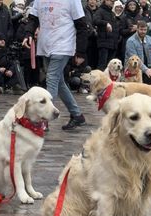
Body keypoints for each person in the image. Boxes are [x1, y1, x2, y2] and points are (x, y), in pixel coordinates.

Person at [22, 0, 88, 130]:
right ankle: (77, 115)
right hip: (45, 44)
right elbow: (33, 19)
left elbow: (81, 25)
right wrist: (28, 34)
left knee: (51, 78)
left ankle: (44, 119)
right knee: (58, 82)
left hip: (63, 44)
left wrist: (80, 52)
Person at [125, 20, 151, 85]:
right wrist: (146, 70)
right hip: (135, 68)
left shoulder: (149, 39)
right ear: (137, 29)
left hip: (148, 65)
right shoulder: (130, 41)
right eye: (141, 29)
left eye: (145, 30)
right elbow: (135, 60)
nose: (143, 32)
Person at [93, 0, 119, 71]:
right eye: (111, 1)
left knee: (111, 67)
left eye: (113, 2)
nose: (113, 3)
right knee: (102, 65)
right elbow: (95, 20)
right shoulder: (100, 11)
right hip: (104, 43)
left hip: (113, 44)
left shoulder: (112, 13)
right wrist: (106, 23)